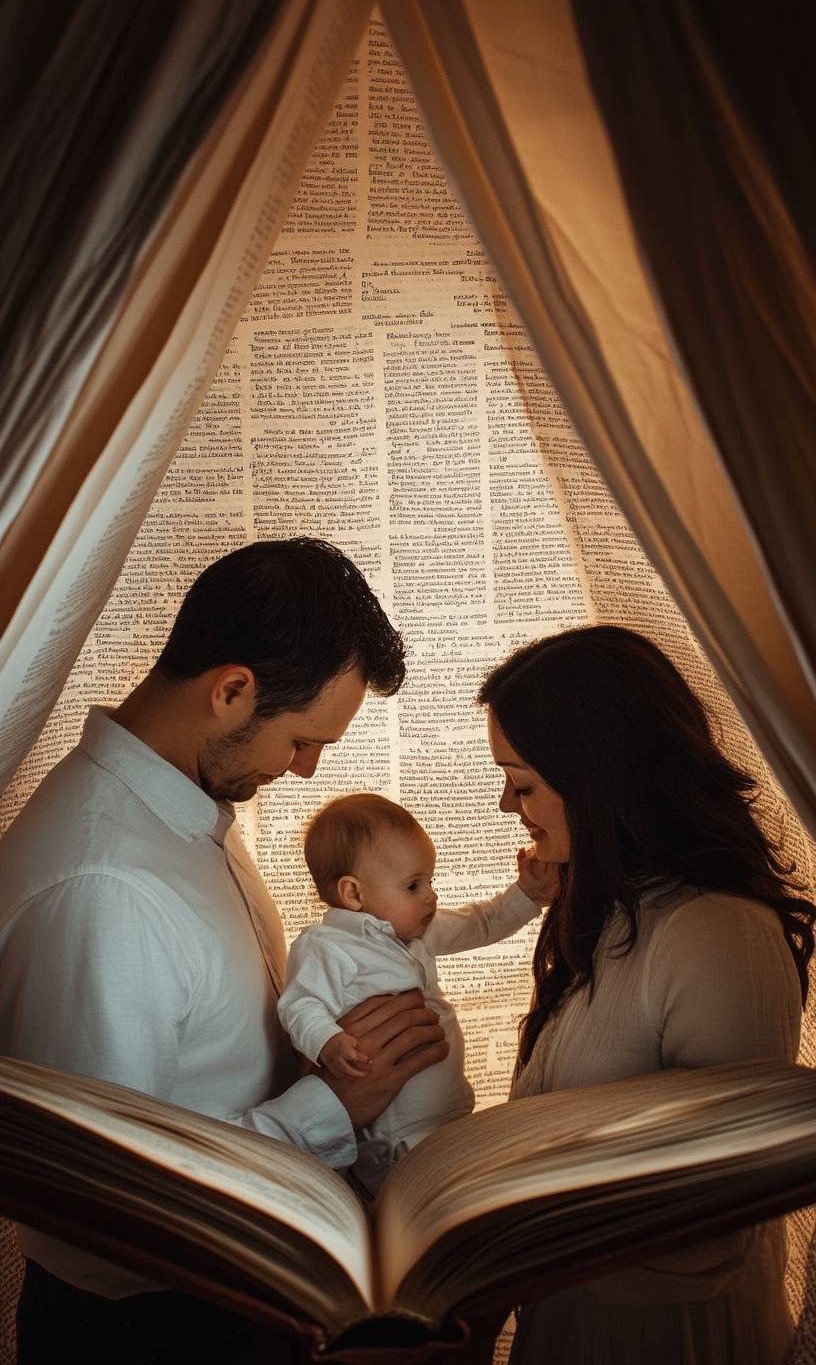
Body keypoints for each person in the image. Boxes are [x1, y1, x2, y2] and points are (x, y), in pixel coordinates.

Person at [0, 538, 449, 1364]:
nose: (309, 772)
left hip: (235, 1297)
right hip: (153, 1332)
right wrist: (332, 1108)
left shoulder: (181, 813)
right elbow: (107, 1210)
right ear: (233, 691)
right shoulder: (105, 888)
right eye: (304, 740)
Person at [477, 624, 816, 1365]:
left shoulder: (718, 934)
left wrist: (502, 1216)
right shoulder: (607, 914)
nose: (509, 805)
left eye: (523, 782)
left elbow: (718, 1222)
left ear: (596, 774)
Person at [278, 792, 553, 1195]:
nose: (430, 895)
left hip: (451, 1117)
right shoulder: (326, 946)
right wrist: (328, 1041)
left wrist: (527, 894)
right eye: (413, 885)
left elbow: (482, 923)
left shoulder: (418, 931)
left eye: (430, 881)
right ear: (354, 894)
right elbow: (300, 1004)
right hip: (395, 1140)